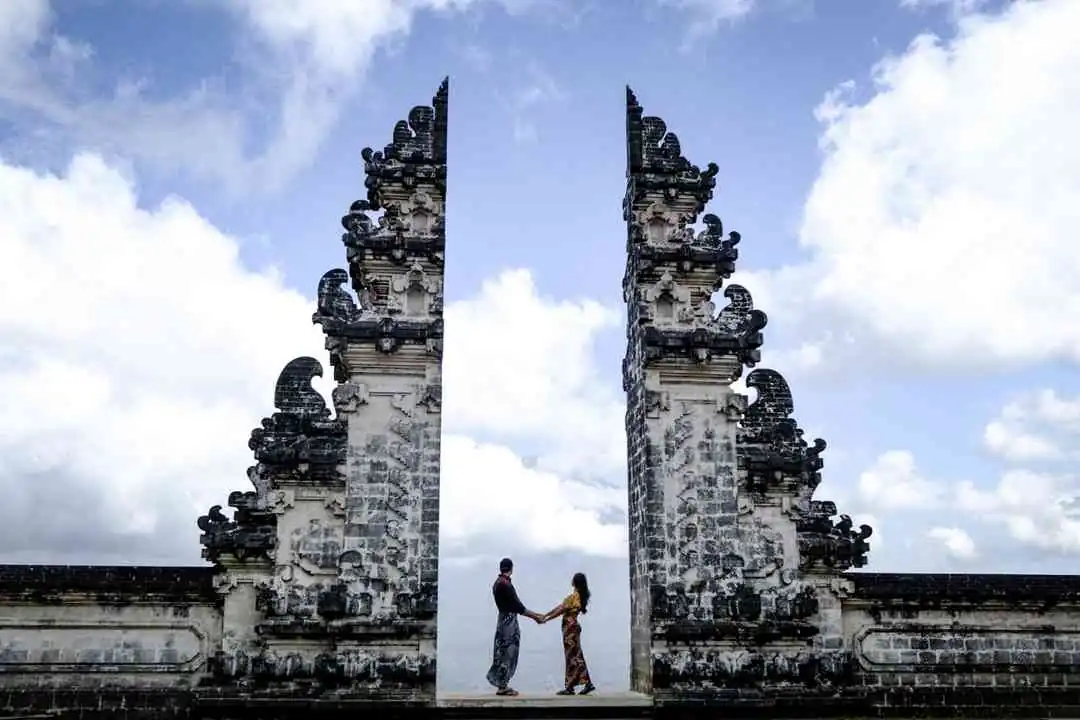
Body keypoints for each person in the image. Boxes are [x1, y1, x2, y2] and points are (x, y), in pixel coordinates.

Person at [486, 557, 544, 696]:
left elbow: (515, 605)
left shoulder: (496, 583)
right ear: (511, 569)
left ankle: (501, 684)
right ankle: (503, 686)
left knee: (501, 652)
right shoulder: (506, 584)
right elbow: (518, 606)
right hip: (509, 622)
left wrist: (536, 615)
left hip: (501, 620)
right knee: (509, 653)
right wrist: (535, 616)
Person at [540, 572, 596, 696]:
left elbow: (561, 609)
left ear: (575, 582)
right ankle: (582, 684)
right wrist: (545, 615)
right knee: (576, 655)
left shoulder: (574, 596)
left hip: (570, 630)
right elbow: (560, 607)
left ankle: (571, 687)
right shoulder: (577, 596)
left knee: (572, 656)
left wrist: (547, 618)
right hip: (572, 628)